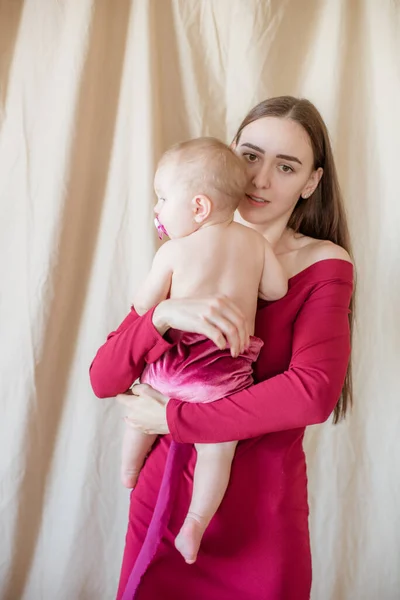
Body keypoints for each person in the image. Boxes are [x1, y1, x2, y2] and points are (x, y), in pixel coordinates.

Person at [90, 96, 354, 600]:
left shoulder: (326, 263)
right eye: (250, 156)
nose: (260, 179)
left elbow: (313, 394)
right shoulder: (185, 247)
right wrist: (163, 317)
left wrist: (174, 420)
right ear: (229, 154)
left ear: (311, 183)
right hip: (162, 495)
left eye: (286, 166)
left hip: (262, 513)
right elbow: (104, 378)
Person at [121, 137, 287, 566]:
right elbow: (276, 289)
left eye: (162, 199)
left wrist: (168, 299)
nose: (156, 210)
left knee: (144, 403)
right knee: (218, 449)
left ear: (197, 208)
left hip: (173, 365)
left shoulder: (174, 250)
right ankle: (195, 522)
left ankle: (128, 470)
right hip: (222, 375)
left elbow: (143, 306)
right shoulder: (254, 244)